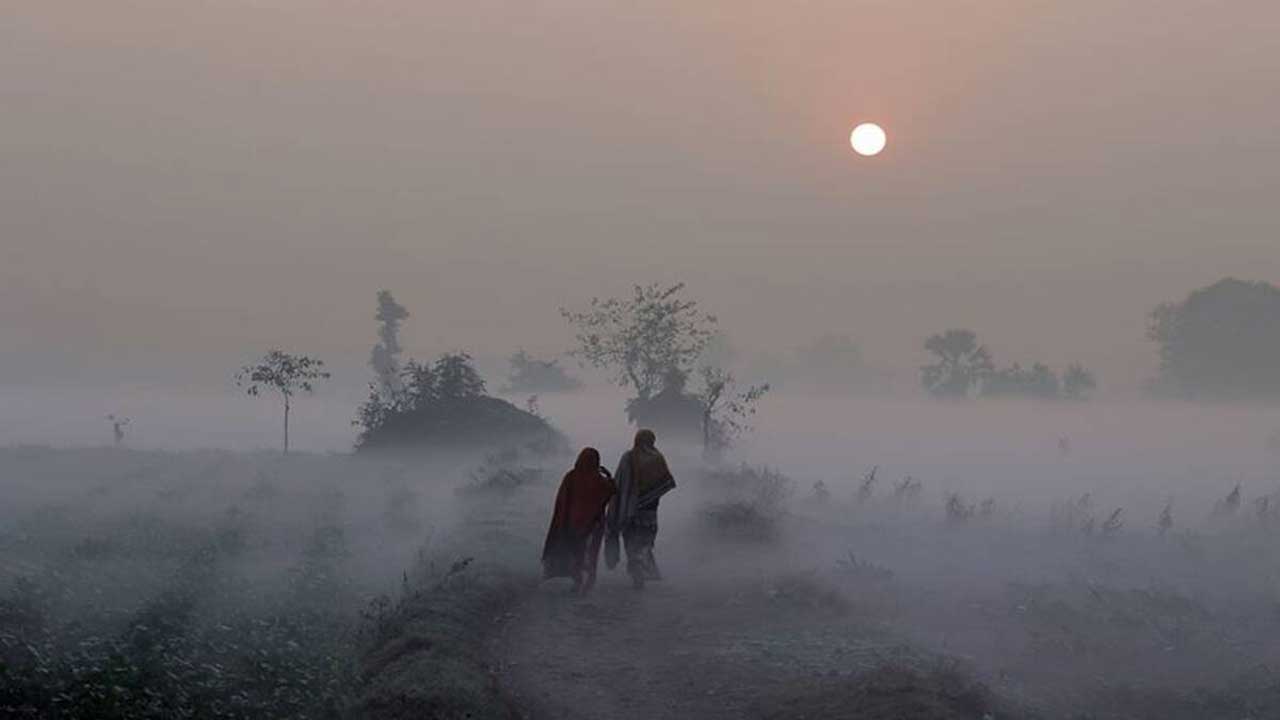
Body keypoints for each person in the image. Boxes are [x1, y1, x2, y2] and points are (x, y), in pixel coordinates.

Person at [606, 429, 676, 590]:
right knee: (645, 542)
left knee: (630, 541)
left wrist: (622, 502)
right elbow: (665, 484)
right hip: (650, 510)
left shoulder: (628, 457)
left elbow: (620, 482)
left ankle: (636, 570)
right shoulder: (658, 458)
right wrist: (650, 496)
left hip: (629, 509)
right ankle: (641, 567)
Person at [542, 447, 617, 595]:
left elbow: (562, 499)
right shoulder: (599, 480)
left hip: (573, 524)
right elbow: (612, 491)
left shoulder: (571, 476)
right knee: (591, 553)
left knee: (577, 553)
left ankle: (577, 581)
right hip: (594, 524)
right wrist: (608, 475)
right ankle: (589, 581)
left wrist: (561, 521)